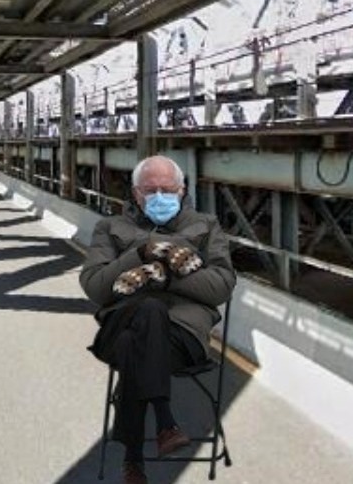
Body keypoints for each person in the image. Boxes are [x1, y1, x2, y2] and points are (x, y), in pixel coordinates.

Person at [80, 155, 236, 484]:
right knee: (147, 311)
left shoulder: (206, 226)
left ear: (182, 191)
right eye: (151, 190)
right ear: (136, 193)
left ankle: (133, 460)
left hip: (181, 337)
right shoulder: (110, 228)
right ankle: (165, 421)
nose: (160, 196)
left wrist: (162, 275)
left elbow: (221, 286)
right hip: (121, 321)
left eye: (168, 189)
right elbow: (95, 286)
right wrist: (139, 253)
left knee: (133, 343)